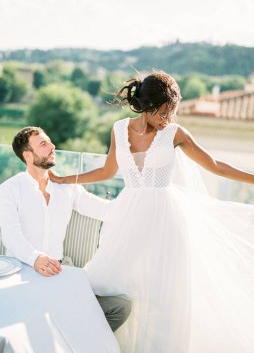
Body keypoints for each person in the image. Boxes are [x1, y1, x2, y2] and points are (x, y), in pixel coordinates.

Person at [49, 71, 254, 353]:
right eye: (166, 111)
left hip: (166, 220)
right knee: (109, 281)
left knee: (163, 293)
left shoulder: (175, 133)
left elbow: (215, 165)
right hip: (127, 218)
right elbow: (107, 171)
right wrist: (65, 179)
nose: (169, 118)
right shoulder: (119, 130)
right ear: (151, 105)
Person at [0, 126, 131, 333]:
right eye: (44, 144)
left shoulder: (66, 187)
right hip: (20, 274)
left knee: (119, 307)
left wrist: (138, 196)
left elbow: (104, 210)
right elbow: (10, 234)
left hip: (58, 276)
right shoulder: (8, 190)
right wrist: (36, 258)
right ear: (27, 155)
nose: (53, 146)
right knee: (34, 323)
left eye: (50, 141)